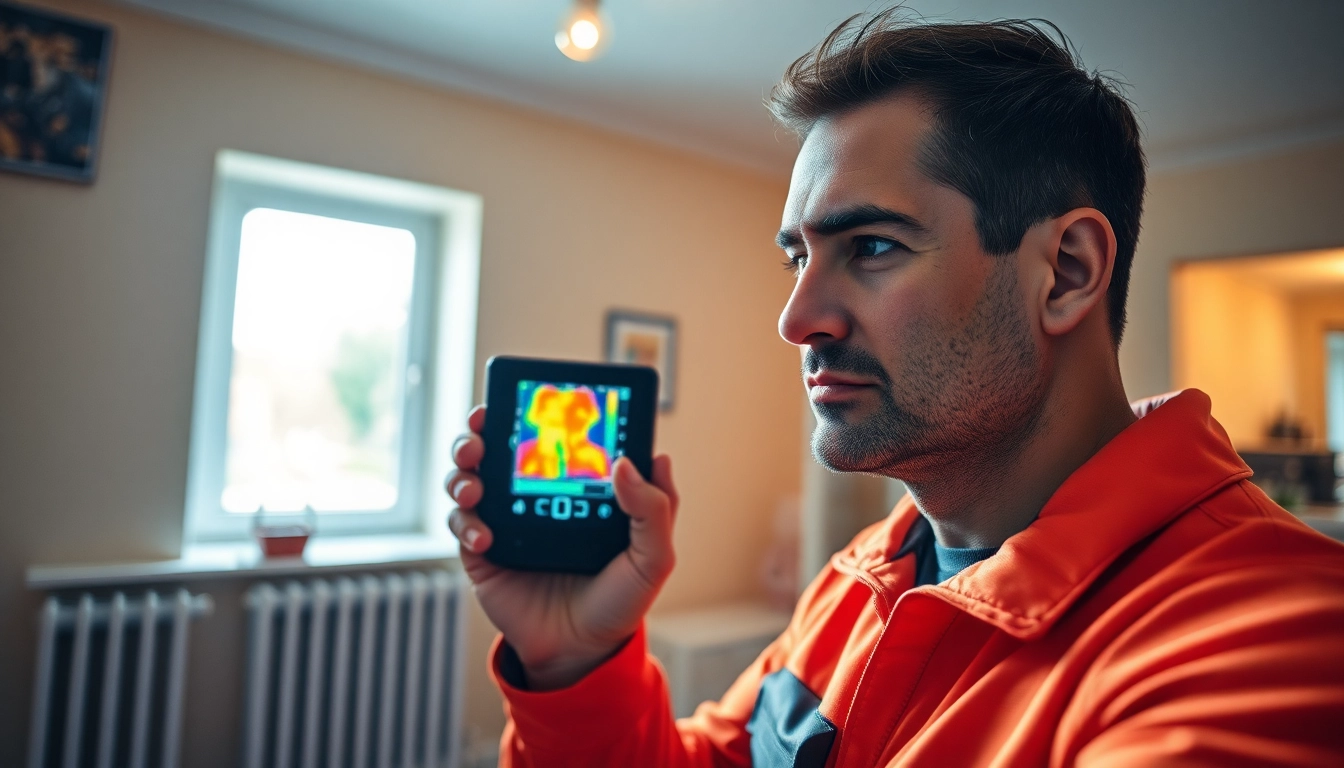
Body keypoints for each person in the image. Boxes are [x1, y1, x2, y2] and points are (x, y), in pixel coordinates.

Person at [444, 10, 1344, 767]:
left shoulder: (1274, 639)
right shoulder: (864, 574)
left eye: (871, 247)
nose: (797, 321)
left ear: (1066, 272)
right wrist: (573, 662)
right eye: (798, 258)